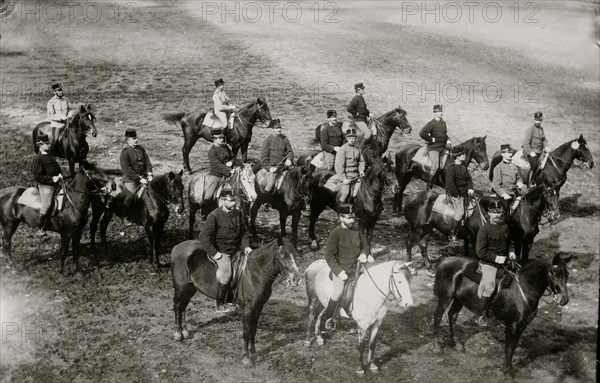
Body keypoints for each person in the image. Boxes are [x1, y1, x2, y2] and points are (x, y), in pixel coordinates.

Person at [198, 186, 252, 313]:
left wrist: (247, 246)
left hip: (236, 250)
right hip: (222, 252)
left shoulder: (238, 214)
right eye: (231, 201)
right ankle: (220, 304)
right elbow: (203, 236)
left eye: (235, 200)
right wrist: (215, 253)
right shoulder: (214, 216)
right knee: (226, 275)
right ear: (222, 201)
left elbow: (244, 232)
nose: (234, 203)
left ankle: (234, 299)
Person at [322, 204, 373, 330]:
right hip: (341, 270)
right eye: (349, 218)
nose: (352, 221)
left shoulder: (358, 231)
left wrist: (363, 254)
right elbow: (329, 256)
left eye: (353, 218)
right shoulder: (335, 233)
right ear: (341, 217)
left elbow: (366, 246)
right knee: (338, 292)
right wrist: (339, 272)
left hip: (356, 269)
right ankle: (327, 319)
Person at [475, 200, 516, 326]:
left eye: (499, 212)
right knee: (490, 288)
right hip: (489, 263)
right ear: (489, 213)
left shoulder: (504, 226)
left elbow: (510, 243)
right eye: (494, 212)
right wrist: (496, 258)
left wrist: (511, 252)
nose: (497, 215)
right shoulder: (484, 229)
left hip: (505, 261)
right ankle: (480, 315)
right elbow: (480, 252)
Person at [31, 133, 63, 236]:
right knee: (47, 205)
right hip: (45, 185)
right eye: (47, 143)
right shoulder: (38, 159)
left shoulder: (50, 155)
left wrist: (59, 174)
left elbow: (57, 168)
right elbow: (37, 177)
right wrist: (52, 179)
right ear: (41, 145)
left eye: (48, 143)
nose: (49, 145)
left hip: (57, 182)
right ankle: (40, 227)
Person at [120, 128, 153, 223]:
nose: (137, 140)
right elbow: (127, 170)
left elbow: (147, 161)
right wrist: (139, 179)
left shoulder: (140, 149)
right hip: (131, 180)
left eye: (136, 137)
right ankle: (126, 217)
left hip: (144, 177)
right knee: (130, 198)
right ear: (128, 139)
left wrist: (150, 173)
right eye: (134, 138)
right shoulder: (124, 153)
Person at [444, 148, 474, 242]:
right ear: (457, 156)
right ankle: (452, 233)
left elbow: (469, 178)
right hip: (455, 193)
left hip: (466, 191)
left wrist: (470, 188)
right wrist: (456, 195)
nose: (465, 156)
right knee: (460, 212)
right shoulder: (451, 168)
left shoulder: (463, 166)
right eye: (462, 154)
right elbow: (450, 183)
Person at [419, 104, 451, 189]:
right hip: (434, 148)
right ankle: (429, 187)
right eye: (438, 112)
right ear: (434, 113)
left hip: (443, 147)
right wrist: (430, 139)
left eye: (441, 111)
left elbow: (444, 134)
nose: (441, 113)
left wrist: (448, 140)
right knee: (435, 166)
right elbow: (422, 133)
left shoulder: (443, 123)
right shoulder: (431, 123)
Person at [259, 119, 294, 193]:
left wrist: (289, 159)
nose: (279, 130)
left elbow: (290, 152)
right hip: (274, 167)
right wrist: (269, 168)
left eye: (280, 127)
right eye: (276, 128)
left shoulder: (284, 139)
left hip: (285, 167)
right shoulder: (268, 140)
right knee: (271, 183)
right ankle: (265, 199)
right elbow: (263, 158)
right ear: (272, 129)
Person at [334, 128, 365, 204]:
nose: (352, 140)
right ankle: (341, 210)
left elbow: (361, 161)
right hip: (346, 176)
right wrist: (343, 178)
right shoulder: (343, 149)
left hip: (356, 176)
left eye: (353, 138)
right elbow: (339, 166)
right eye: (350, 138)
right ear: (347, 138)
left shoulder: (358, 149)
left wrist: (361, 170)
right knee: (345, 193)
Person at [492, 144, 526, 214]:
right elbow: (495, 186)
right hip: (505, 196)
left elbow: (519, 178)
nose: (510, 154)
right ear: (502, 154)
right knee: (506, 214)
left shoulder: (514, 166)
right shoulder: (498, 168)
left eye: (511, 152)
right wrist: (503, 194)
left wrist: (520, 182)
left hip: (515, 194)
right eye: (508, 153)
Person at [205, 128, 235, 201]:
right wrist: (229, 171)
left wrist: (231, 162)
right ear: (214, 139)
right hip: (217, 174)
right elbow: (217, 165)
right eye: (220, 138)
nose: (222, 139)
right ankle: (206, 210)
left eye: (223, 138)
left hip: (230, 173)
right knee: (209, 196)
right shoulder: (212, 151)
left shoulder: (225, 146)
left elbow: (233, 156)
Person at [523, 111, 549, 185]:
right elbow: (525, 143)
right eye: (537, 120)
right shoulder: (530, 129)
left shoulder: (541, 129)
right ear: (534, 119)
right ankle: (530, 182)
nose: (538, 122)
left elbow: (544, 140)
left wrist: (546, 146)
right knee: (534, 165)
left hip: (540, 152)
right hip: (531, 152)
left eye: (540, 120)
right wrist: (530, 152)